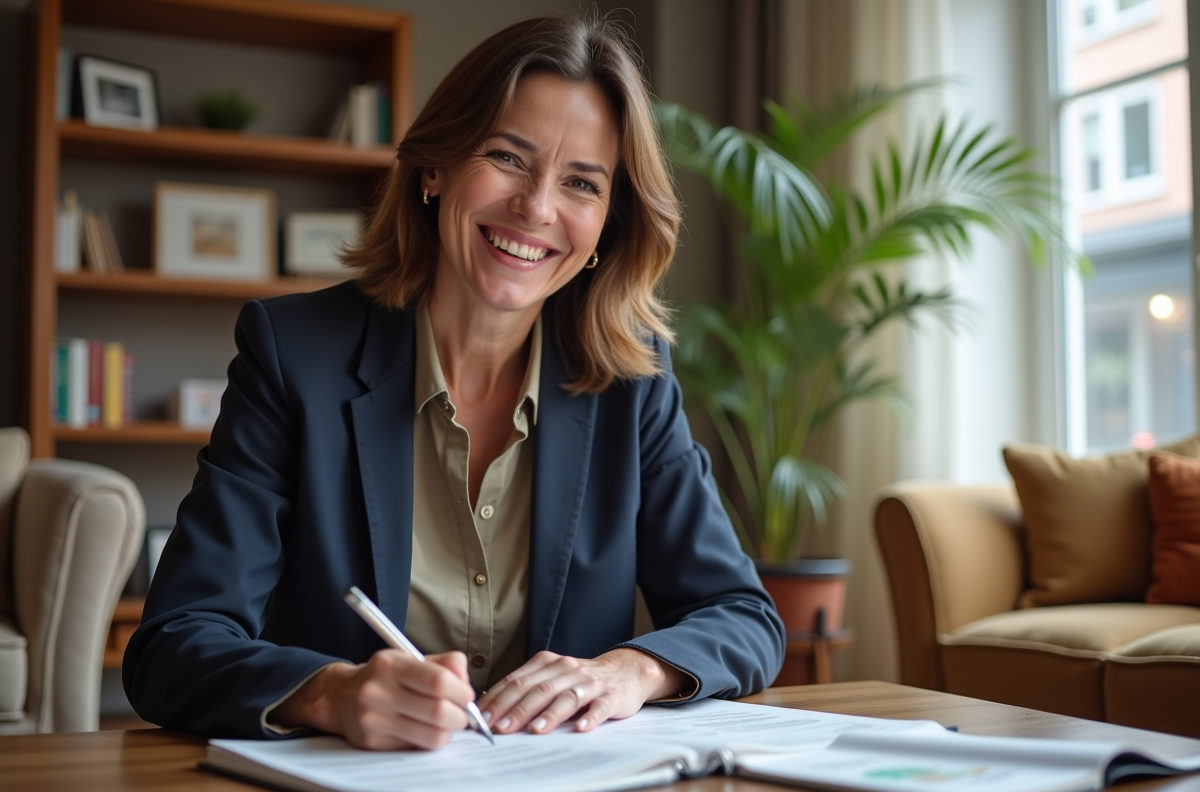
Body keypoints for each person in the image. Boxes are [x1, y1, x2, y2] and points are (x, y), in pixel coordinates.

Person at [123, 13, 784, 751]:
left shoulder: (634, 382)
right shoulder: (294, 356)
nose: (536, 208)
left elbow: (743, 616)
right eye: (507, 157)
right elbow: (172, 643)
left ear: (608, 223)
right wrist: (331, 693)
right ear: (435, 168)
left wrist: (633, 670)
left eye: (581, 183)